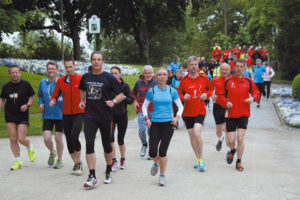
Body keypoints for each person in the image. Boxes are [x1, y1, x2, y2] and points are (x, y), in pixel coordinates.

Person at [79, 52, 124, 188]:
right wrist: (82, 100)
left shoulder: (109, 78)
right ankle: (92, 175)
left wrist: (113, 101)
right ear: (91, 61)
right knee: (89, 144)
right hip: (89, 116)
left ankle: (109, 169)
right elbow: (82, 90)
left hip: (105, 116)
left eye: (99, 60)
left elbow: (121, 95)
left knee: (106, 145)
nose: (96, 62)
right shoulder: (86, 77)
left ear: (103, 62)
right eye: (94, 59)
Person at [142, 68, 183, 186]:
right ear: (156, 77)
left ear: (167, 76)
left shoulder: (171, 90)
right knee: (152, 152)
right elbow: (144, 106)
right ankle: (156, 163)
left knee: (163, 152)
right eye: (159, 75)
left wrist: (176, 118)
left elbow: (180, 106)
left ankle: (162, 176)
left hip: (168, 125)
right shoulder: (152, 91)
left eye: (164, 74)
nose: (162, 77)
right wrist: (146, 118)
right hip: (155, 124)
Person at [224, 59, 260, 171]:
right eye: (237, 66)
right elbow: (221, 95)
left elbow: (256, 93)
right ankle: (232, 150)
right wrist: (225, 102)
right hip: (230, 114)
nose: (239, 68)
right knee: (230, 141)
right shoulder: (228, 81)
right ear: (234, 68)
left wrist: (252, 98)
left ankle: (239, 161)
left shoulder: (248, 81)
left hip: (243, 114)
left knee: (240, 138)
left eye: (241, 66)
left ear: (244, 68)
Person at [50, 58, 84, 175]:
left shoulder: (80, 79)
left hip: (79, 112)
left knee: (75, 136)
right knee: (69, 140)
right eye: (66, 67)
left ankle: (78, 163)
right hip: (65, 114)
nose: (69, 69)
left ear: (74, 66)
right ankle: (76, 163)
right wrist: (53, 100)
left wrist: (84, 102)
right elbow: (55, 95)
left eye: (70, 67)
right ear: (64, 68)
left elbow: (87, 94)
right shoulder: (60, 81)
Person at [178, 56, 212, 172]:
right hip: (187, 112)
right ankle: (197, 158)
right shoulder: (184, 79)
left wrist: (206, 95)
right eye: (192, 64)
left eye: (196, 64)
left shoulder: (204, 77)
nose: (194, 66)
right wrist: (184, 97)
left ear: (198, 66)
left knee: (197, 133)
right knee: (192, 136)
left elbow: (211, 89)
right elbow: (178, 95)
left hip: (200, 110)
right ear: (188, 66)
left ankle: (201, 159)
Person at [0, 65, 36, 170]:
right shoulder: (6, 87)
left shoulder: (26, 85)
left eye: (16, 72)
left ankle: (29, 146)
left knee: (21, 139)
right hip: (10, 114)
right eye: (12, 72)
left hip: (22, 114)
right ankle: (18, 160)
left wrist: (28, 105)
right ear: (9, 74)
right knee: (13, 138)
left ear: (20, 73)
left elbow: (32, 98)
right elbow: (2, 99)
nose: (14, 74)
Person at [38, 61, 64, 169]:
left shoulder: (62, 82)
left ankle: (59, 160)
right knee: (47, 138)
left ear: (57, 71)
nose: (51, 70)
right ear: (47, 70)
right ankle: (52, 152)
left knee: (58, 139)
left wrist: (61, 99)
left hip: (60, 115)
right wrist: (41, 104)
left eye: (53, 68)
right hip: (47, 114)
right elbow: (40, 95)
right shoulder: (43, 82)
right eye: (49, 68)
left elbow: (67, 95)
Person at [110, 66, 134, 171]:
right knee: (110, 139)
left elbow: (131, 100)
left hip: (122, 115)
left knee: (120, 139)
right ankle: (113, 160)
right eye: (111, 73)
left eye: (115, 73)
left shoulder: (125, 86)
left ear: (120, 74)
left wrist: (124, 97)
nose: (113, 75)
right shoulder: (107, 86)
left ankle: (122, 159)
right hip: (110, 116)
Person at [132, 65, 157, 159]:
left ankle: (151, 150)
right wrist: (135, 101)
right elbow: (133, 93)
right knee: (142, 130)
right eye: (146, 73)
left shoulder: (156, 82)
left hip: (153, 110)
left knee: (151, 131)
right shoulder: (138, 82)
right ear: (143, 73)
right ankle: (144, 144)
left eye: (150, 73)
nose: (148, 75)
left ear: (152, 73)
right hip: (142, 109)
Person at [211, 63, 230, 152]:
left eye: (226, 70)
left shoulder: (231, 80)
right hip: (218, 106)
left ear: (229, 71)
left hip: (228, 107)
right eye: (223, 69)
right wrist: (212, 95)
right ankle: (220, 139)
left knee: (227, 129)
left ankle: (228, 149)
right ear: (220, 70)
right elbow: (209, 90)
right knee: (218, 130)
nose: (224, 71)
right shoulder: (215, 80)